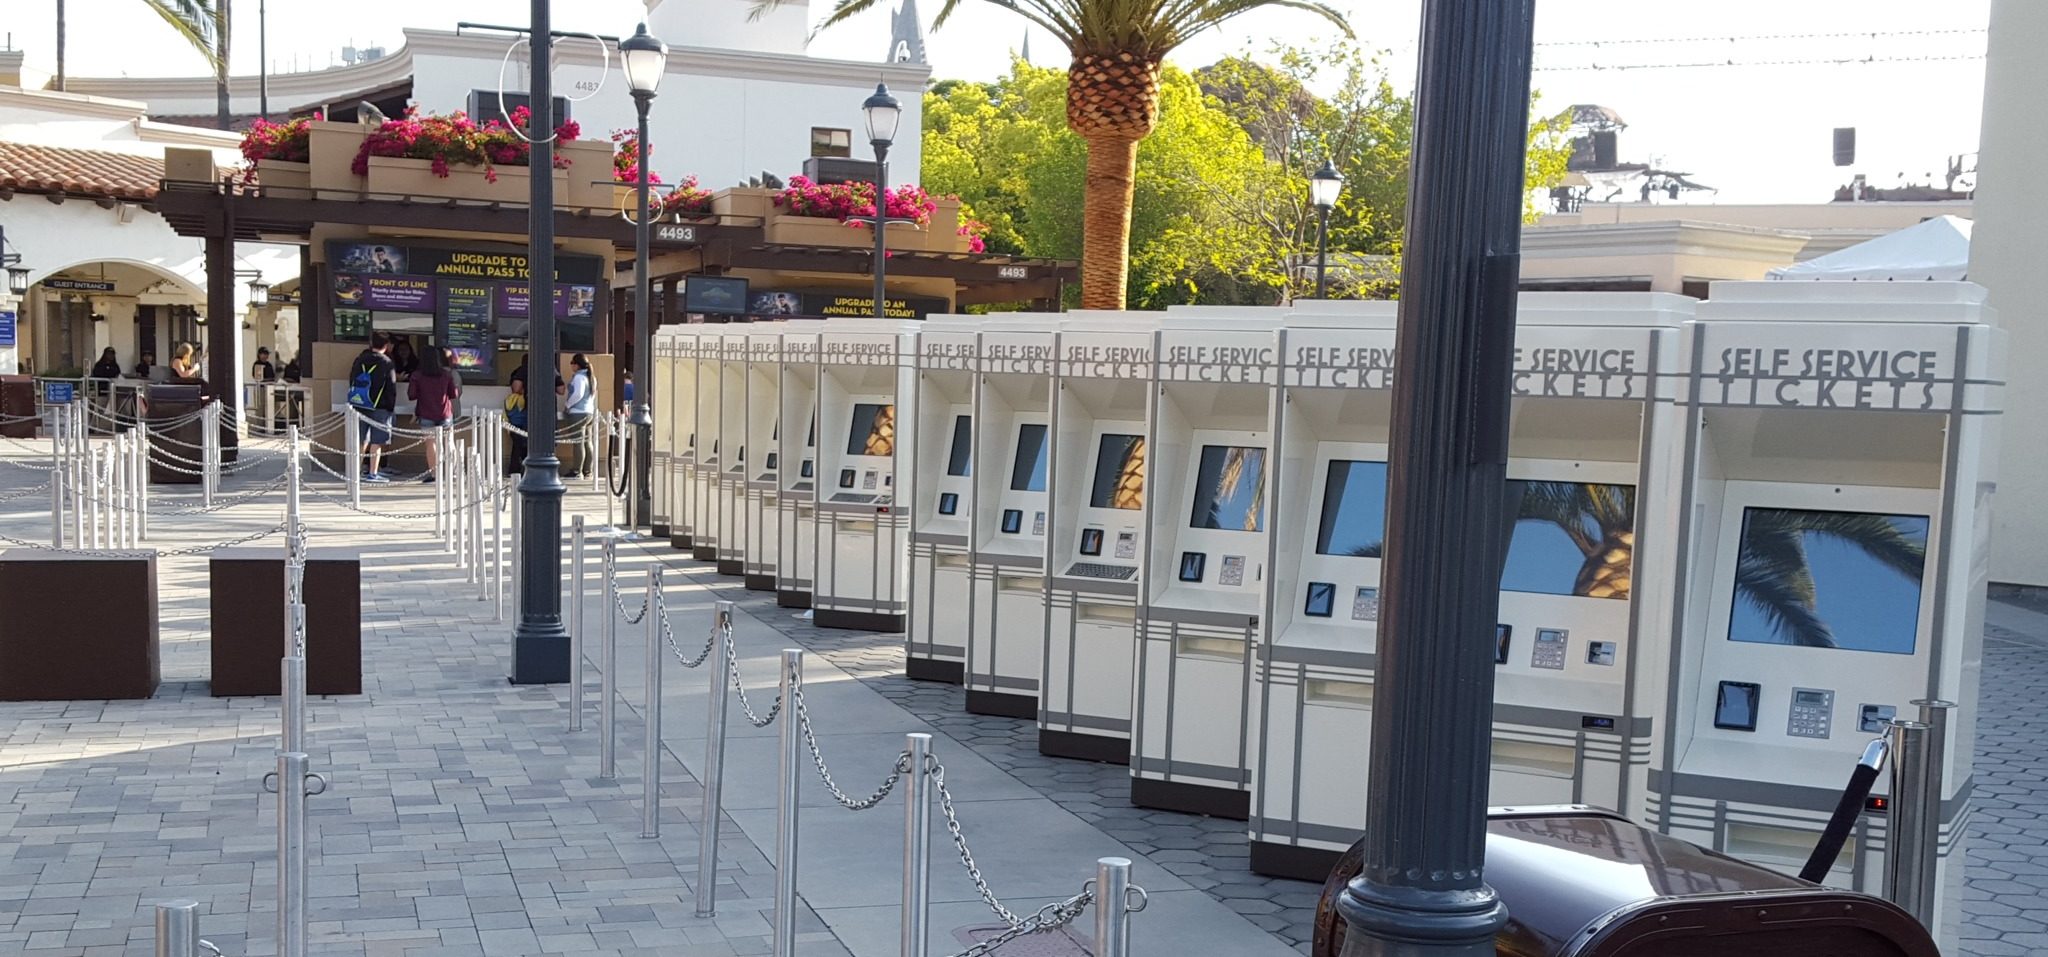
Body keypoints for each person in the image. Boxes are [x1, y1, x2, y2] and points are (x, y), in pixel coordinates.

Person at [349, 332, 398, 482]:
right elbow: (391, 385)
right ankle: (373, 472)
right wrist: (390, 406)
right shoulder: (387, 362)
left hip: (360, 404)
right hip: (380, 405)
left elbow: (351, 379)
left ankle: (355, 471)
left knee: (361, 439)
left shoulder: (360, 359)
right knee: (377, 440)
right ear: (386, 345)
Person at [408, 345, 461, 483]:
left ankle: (435, 474)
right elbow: (454, 394)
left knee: (430, 444)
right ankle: (452, 473)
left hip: (426, 413)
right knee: (449, 442)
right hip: (445, 412)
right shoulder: (446, 374)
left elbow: (411, 395)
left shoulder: (417, 375)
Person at [562, 354, 595, 478]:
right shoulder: (591, 377)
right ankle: (588, 470)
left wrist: (568, 405)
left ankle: (577, 470)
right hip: (589, 412)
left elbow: (578, 394)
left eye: (572, 363)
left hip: (577, 413)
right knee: (587, 441)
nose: (571, 365)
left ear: (576, 364)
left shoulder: (579, 378)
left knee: (578, 442)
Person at [504, 377, 528, 476]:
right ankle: (520, 469)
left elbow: (505, 413)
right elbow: (523, 406)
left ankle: (513, 470)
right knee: (522, 449)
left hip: (512, 426)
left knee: (515, 448)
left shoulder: (508, 399)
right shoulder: (522, 399)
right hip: (521, 427)